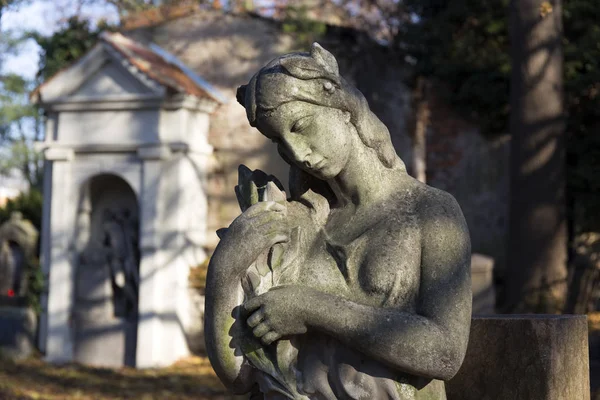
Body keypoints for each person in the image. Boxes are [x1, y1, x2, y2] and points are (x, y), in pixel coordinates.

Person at [205, 43, 471, 400]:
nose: (296, 152)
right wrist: (224, 270)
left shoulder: (429, 211)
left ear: (340, 106)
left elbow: (444, 352)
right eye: (278, 141)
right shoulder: (296, 223)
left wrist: (313, 309)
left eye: (300, 126)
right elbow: (241, 376)